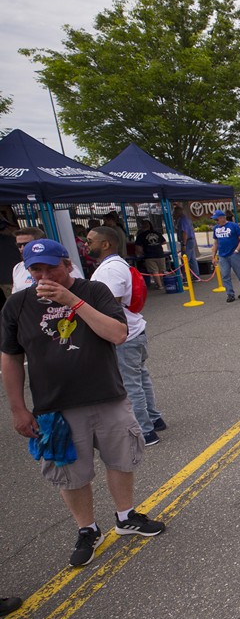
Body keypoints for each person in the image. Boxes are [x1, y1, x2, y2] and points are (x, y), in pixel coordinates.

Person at [1, 239, 166, 568]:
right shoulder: (17, 305)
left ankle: (125, 515)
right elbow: (10, 358)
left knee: (121, 459)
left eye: (52, 267)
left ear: (68, 264)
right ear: (28, 271)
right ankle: (87, 529)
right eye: (37, 269)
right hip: (55, 405)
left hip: (107, 395)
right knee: (71, 474)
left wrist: (72, 301)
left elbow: (117, 334)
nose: (45, 275)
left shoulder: (95, 292)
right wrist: (18, 407)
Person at [86, 226, 167, 446]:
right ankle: (154, 419)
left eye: (90, 240)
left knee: (131, 385)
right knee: (141, 379)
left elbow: (110, 305)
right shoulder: (118, 265)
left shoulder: (109, 270)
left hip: (125, 337)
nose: (86, 244)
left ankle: (145, 431)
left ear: (105, 244)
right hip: (134, 331)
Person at [11, 227, 84, 293]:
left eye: (26, 244)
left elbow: (79, 290)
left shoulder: (62, 266)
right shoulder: (18, 268)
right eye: (19, 245)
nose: (22, 248)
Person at [210, 210, 240, 303]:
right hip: (222, 255)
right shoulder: (216, 228)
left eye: (217, 219)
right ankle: (230, 294)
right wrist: (213, 256)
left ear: (222, 218)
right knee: (225, 275)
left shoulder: (233, 226)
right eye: (215, 220)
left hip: (234, 253)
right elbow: (216, 243)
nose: (216, 221)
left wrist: (237, 250)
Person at [135, 220, 166, 289]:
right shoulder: (157, 233)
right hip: (160, 254)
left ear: (142, 226)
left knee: (154, 271)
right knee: (161, 270)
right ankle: (160, 282)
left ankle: (160, 285)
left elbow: (138, 247)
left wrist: (141, 253)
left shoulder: (141, 236)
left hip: (149, 255)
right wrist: (156, 245)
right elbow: (164, 241)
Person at [173, 206, 200, 272]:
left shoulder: (183, 220)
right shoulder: (185, 219)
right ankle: (196, 274)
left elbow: (185, 232)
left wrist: (184, 244)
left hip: (187, 241)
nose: (174, 214)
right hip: (190, 240)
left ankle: (186, 275)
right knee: (192, 259)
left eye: (175, 212)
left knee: (185, 259)